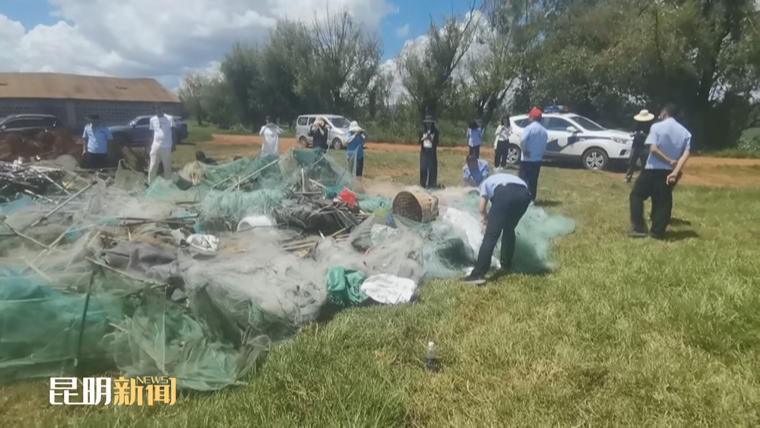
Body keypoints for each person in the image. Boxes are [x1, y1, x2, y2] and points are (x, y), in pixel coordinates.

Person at [629, 104, 691, 239]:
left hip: (652, 168)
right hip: (668, 172)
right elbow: (685, 154)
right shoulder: (686, 133)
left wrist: (668, 160)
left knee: (636, 195)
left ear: (664, 113)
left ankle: (638, 228)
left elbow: (653, 149)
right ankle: (657, 231)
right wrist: (675, 171)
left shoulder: (656, 127)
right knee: (663, 201)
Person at [461, 173, 532, 285]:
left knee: (491, 235)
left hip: (505, 192)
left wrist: (486, 218)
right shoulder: (501, 178)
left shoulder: (485, 184)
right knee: (509, 229)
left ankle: (478, 274)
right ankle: (506, 264)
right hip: (525, 195)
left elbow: (481, 208)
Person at [519, 107, 548, 202]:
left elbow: (522, 141)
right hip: (537, 159)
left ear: (532, 118)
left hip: (527, 159)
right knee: (533, 180)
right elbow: (544, 145)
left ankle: (522, 197)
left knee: (523, 179)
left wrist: (524, 150)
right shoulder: (544, 131)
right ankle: (532, 199)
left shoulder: (529, 128)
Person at [148, 105, 175, 184]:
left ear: (162, 109)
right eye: (156, 110)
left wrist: (173, 144)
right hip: (156, 145)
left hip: (166, 145)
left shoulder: (170, 118)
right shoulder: (152, 120)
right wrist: (152, 144)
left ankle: (168, 183)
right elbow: (152, 132)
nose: (158, 111)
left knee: (167, 166)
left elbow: (173, 132)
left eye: (159, 109)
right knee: (153, 165)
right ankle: (150, 183)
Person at [625, 109, 654, 182]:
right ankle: (628, 177)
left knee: (644, 164)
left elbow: (650, 136)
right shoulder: (637, 123)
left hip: (645, 146)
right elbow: (632, 131)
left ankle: (644, 178)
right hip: (636, 145)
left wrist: (641, 134)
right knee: (631, 162)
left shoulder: (651, 126)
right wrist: (634, 134)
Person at [419, 115, 439, 189]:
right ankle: (422, 184)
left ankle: (432, 185)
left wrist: (430, 138)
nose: (428, 125)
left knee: (432, 169)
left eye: (430, 123)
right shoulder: (422, 131)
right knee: (423, 168)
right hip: (424, 152)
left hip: (432, 152)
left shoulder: (435, 132)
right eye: (427, 123)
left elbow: (436, 142)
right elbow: (418, 141)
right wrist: (424, 138)